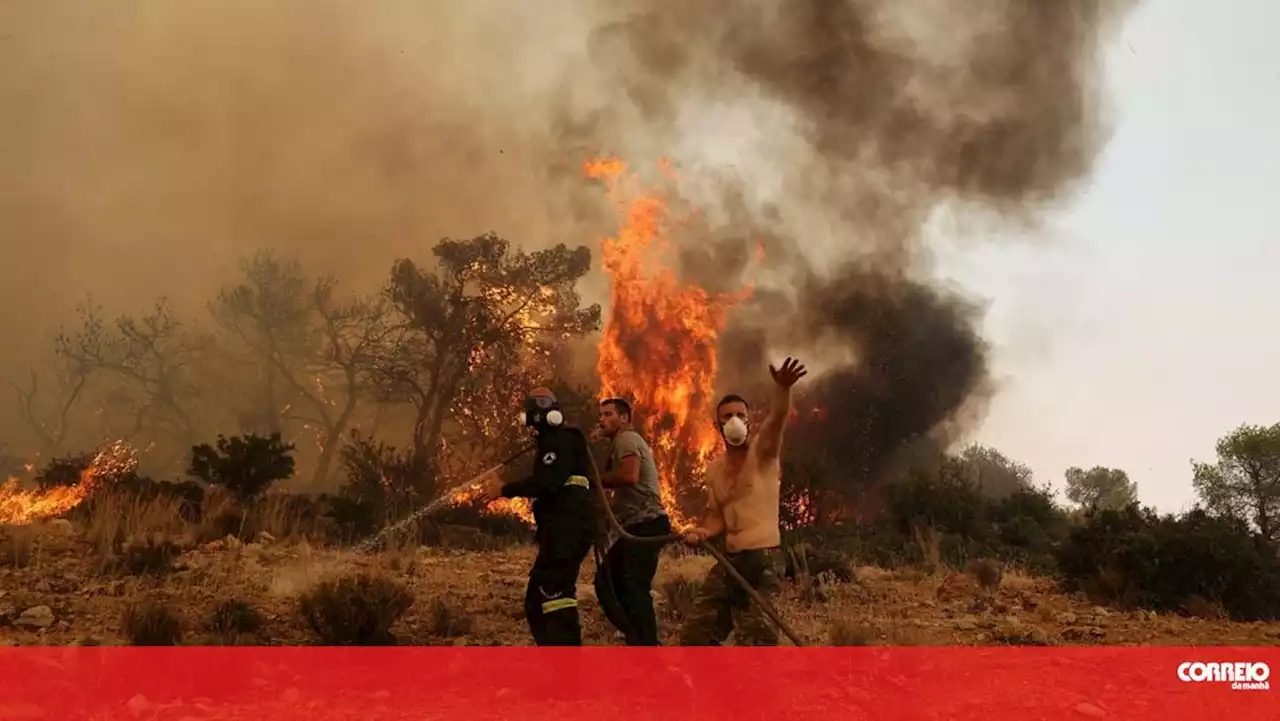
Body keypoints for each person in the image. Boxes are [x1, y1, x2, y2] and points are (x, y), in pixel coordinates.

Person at [678, 357, 807, 646]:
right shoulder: (714, 469)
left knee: (757, 644)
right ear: (717, 425)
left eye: (739, 414)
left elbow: (776, 422)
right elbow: (717, 517)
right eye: (726, 416)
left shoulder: (763, 455)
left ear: (749, 420)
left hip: (762, 559)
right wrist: (701, 532)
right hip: (729, 560)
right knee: (695, 638)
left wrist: (783, 390)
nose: (733, 421)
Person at [478, 387, 596, 646]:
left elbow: (548, 483)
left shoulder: (561, 440)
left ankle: (566, 670)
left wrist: (504, 490)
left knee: (555, 596)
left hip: (567, 529)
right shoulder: (554, 443)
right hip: (559, 530)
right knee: (535, 602)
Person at [591, 397, 671, 646]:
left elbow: (629, 476)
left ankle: (646, 644)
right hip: (641, 524)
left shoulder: (626, 439)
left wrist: (594, 479)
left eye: (608, 414)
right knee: (612, 582)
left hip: (646, 524)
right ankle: (637, 638)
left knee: (628, 584)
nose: (601, 419)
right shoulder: (620, 442)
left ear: (624, 418)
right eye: (600, 415)